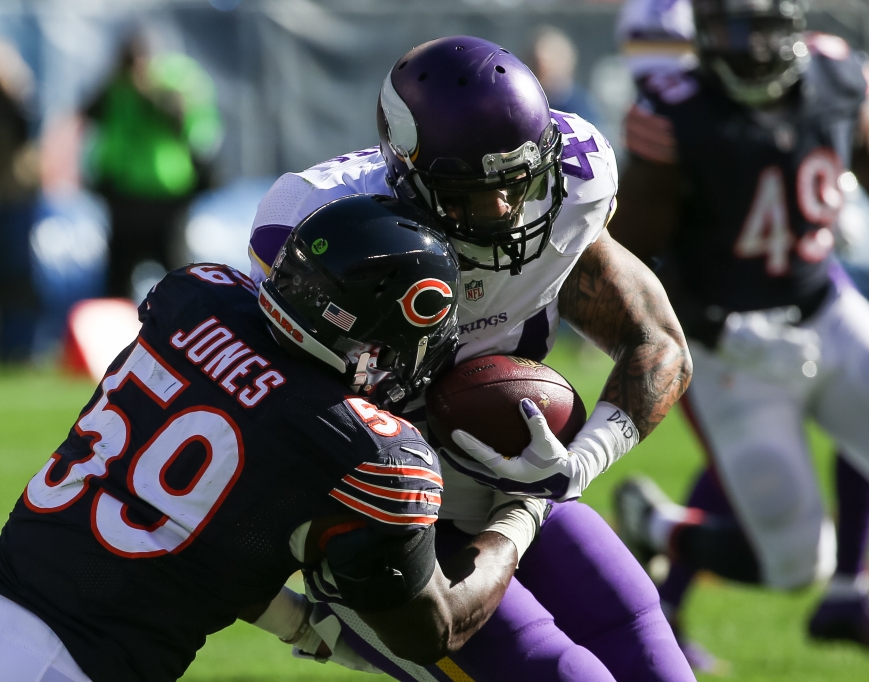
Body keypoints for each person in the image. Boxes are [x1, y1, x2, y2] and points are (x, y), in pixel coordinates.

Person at [247, 35, 696, 681]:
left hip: (516, 479)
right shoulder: (326, 231)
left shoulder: (574, 182)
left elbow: (656, 343)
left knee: (649, 650)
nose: (502, 209)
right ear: (404, 170)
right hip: (384, 516)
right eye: (466, 191)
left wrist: (575, 465)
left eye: (516, 182)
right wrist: (289, 611)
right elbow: (258, 418)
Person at [0, 195, 550, 681]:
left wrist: (299, 624)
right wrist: (523, 511)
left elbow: (184, 527)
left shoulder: (195, 297)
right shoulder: (369, 452)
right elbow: (434, 630)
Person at [608, 1, 869, 681]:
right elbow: (631, 265)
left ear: (791, 25)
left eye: (759, 31)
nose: (748, 50)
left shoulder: (838, 76)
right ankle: (660, 527)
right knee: (795, 567)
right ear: (701, 35)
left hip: (828, 311)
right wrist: (721, 325)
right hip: (736, 354)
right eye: (729, 33)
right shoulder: (676, 112)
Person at [83, 32, 222, 299]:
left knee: (178, 274)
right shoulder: (116, 86)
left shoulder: (175, 83)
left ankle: (187, 331)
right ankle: (117, 335)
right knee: (118, 278)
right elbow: (90, 114)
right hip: (124, 195)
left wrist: (153, 92)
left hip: (165, 197)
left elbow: (191, 128)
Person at [0, 39, 40, 362]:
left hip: (11, 195)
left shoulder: (14, 97)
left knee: (16, 273)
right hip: (11, 193)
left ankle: (21, 346)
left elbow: (27, 118)